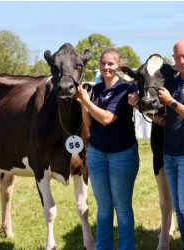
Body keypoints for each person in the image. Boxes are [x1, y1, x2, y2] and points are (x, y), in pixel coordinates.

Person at [130, 39, 184, 249]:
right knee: (178, 208)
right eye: (177, 57)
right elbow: (168, 120)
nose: (182, 61)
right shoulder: (174, 83)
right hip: (170, 154)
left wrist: (172, 103)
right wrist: (141, 108)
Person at [76, 48, 139, 250]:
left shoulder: (126, 90)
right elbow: (89, 124)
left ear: (119, 65)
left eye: (111, 63)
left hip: (122, 154)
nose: (106, 67)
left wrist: (86, 101)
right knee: (103, 208)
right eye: (103, 63)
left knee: (121, 207)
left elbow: (106, 119)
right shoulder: (96, 89)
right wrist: (84, 106)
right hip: (97, 153)